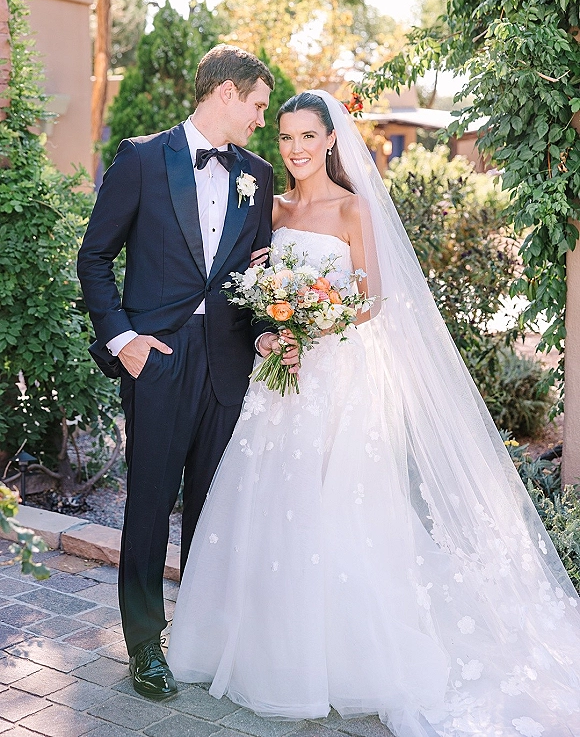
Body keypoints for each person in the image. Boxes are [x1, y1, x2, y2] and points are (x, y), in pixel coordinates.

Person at [167, 91, 580, 736]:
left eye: (307, 136)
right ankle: (265, 647)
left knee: (336, 505)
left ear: (331, 140)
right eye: (285, 138)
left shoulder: (354, 209)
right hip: (281, 379)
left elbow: (374, 301)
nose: (296, 149)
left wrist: (313, 318)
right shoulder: (271, 210)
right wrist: (275, 320)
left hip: (334, 374)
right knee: (271, 499)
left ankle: (343, 656)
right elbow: (254, 282)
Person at [77, 45, 298, 700]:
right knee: (147, 507)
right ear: (225, 94)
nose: (262, 119)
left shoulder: (256, 175)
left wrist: (263, 334)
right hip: (158, 361)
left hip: (228, 367)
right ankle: (145, 647)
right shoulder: (144, 159)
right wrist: (122, 339)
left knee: (213, 507)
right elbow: (94, 259)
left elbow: (248, 284)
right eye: (258, 105)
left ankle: (196, 639)